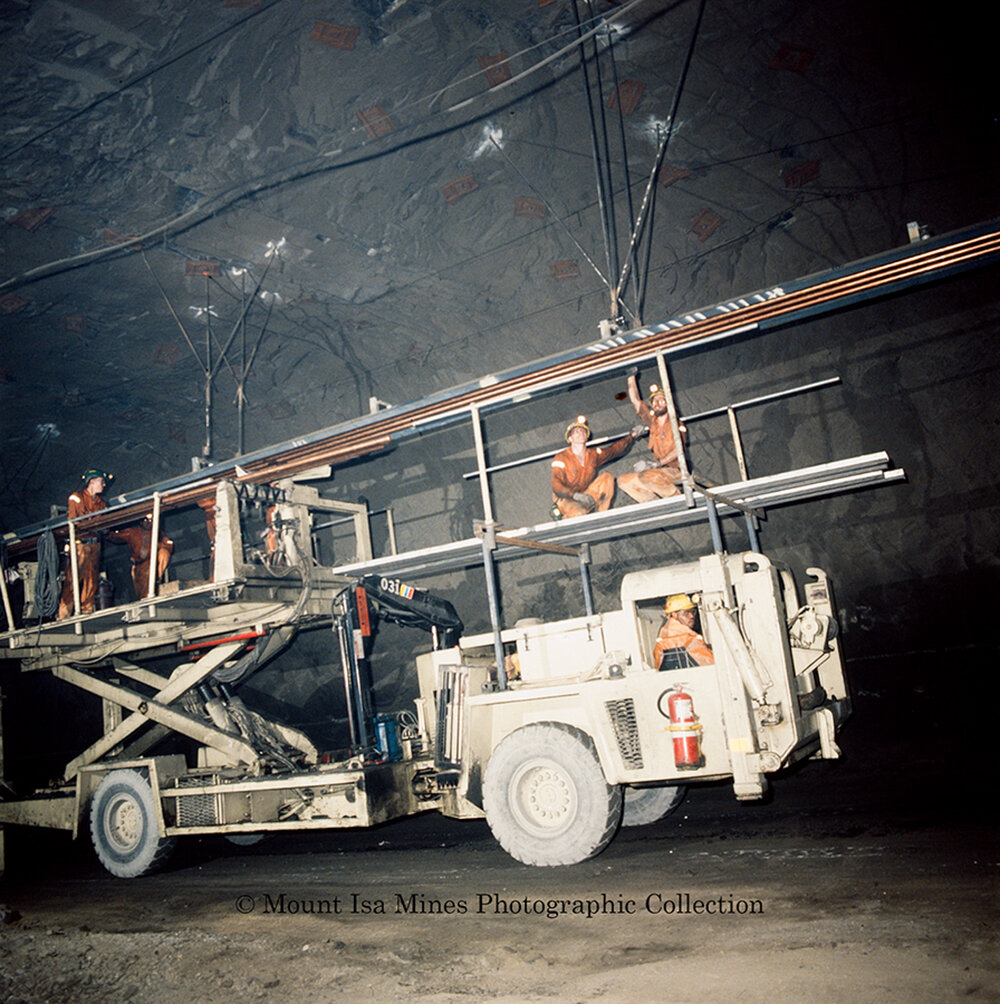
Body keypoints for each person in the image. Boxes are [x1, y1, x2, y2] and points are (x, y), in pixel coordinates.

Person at [551, 414, 639, 519]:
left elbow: (614, 450)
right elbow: (556, 484)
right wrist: (574, 495)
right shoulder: (561, 457)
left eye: (583, 431)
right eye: (576, 431)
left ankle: (601, 516)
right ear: (570, 438)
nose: (581, 433)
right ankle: (567, 519)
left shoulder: (593, 454)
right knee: (579, 513)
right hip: (566, 498)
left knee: (607, 477)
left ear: (587, 436)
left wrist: (632, 436)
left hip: (586, 494)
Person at [618, 374, 687, 503]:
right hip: (658, 472)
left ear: (669, 403)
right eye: (654, 401)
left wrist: (655, 464)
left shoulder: (676, 424)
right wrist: (630, 376)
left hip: (676, 471)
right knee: (624, 480)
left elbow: (679, 449)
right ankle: (654, 504)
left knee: (647, 476)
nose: (657, 403)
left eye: (662, 400)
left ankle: (676, 499)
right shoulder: (653, 423)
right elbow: (635, 401)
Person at [56, 468, 112, 619]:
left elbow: (102, 522)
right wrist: (92, 524)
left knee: (91, 579)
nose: (104, 485)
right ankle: (64, 614)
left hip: (95, 544)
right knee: (73, 579)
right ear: (92, 482)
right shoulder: (76, 497)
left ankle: (86, 610)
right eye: (101, 481)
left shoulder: (101, 503)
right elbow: (74, 520)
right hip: (80, 543)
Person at [109, 517, 174, 599]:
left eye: (151, 520)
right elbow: (115, 537)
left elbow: (169, 545)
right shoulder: (132, 533)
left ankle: (158, 578)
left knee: (164, 553)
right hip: (140, 567)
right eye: (146, 520)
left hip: (152, 563)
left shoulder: (158, 533)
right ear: (141, 522)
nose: (148, 523)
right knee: (142, 593)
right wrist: (107, 532)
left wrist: (158, 545)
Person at [653, 593, 714, 668]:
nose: (692, 616)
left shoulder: (664, 637)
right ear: (674, 614)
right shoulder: (685, 639)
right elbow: (711, 663)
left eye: (693, 612)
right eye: (687, 613)